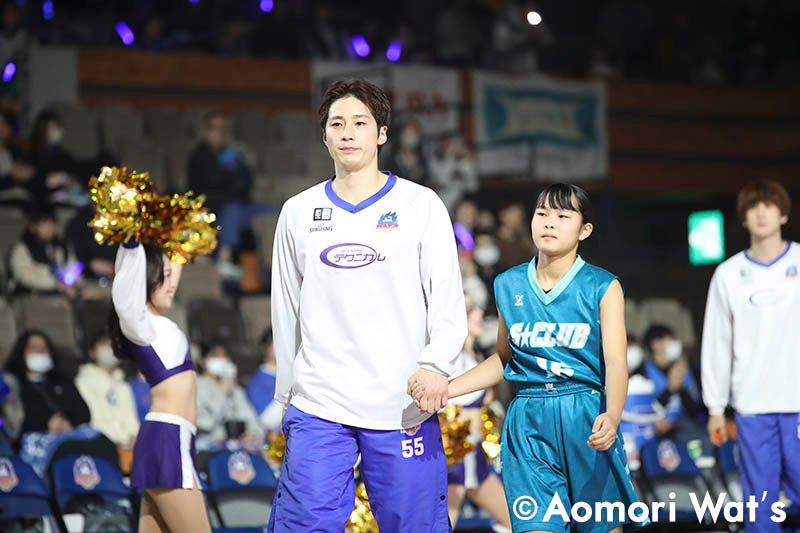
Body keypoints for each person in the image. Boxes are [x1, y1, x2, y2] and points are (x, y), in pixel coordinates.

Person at [269, 79, 466, 532]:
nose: (348, 133)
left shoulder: (421, 205)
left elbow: (447, 301)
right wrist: (288, 393)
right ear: (324, 136)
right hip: (319, 404)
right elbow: (285, 309)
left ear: (381, 133)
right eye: (337, 124)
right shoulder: (297, 212)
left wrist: (436, 365)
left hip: (402, 405)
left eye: (359, 123)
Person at [432, 183, 644, 532]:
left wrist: (613, 414)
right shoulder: (508, 284)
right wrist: (447, 388)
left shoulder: (603, 286)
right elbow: (505, 359)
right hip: (529, 420)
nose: (549, 222)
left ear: (584, 230)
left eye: (563, 216)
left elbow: (616, 362)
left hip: (586, 415)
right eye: (542, 213)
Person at [701, 179, 800, 533]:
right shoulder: (727, 275)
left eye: (769, 206)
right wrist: (715, 407)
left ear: (783, 214)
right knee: (760, 501)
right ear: (743, 218)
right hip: (752, 405)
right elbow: (717, 342)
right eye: (753, 207)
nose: (761, 213)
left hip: (798, 401)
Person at [110, 241, 211, 532]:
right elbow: (125, 288)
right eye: (163, 276)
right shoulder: (139, 323)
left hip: (172, 439)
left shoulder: (155, 322)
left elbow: (173, 265)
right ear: (144, 278)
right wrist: (131, 245)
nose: (172, 284)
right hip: (167, 440)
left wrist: (178, 238)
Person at [445, 296, 511, 532]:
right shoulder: (452, 362)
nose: (479, 314)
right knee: (442, 525)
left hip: (473, 457)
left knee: (516, 520)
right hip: (457, 459)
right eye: (470, 309)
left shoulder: (473, 357)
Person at [187, 110, 273, 280]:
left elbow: (247, 181)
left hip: (240, 204)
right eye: (215, 129)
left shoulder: (233, 155)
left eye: (223, 129)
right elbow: (212, 185)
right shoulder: (199, 157)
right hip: (213, 208)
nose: (220, 134)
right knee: (231, 208)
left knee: (271, 210)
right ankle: (224, 260)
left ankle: (274, 265)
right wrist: (232, 181)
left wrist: (233, 179)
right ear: (206, 132)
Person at [4, 329, 90, 437]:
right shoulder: (12, 384)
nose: (40, 352)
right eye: (34, 348)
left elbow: (83, 413)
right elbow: (11, 422)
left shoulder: (62, 382)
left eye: (45, 348)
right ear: (22, 352)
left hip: (70, 436)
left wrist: (67, 422)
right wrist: (47, 424)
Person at [74, 332, 140, 448]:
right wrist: (123, 438)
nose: (109, 349)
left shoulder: (122, 383)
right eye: (103, 344)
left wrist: (135, 436)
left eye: (112, 345)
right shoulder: (83, 382)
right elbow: (95, 418)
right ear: (92, 352)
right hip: (103, 444)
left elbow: (130, 417)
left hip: (129, 445)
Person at [196, 342, 263, 449]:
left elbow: (253, 422)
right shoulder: (196, 386)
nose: (221, 359)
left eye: (224, 355)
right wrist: (222, 393)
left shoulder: (235, 389)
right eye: (215, 355)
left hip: (238, 449)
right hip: (208, 451)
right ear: (202, 361)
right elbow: (205, 423)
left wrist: (253, 434)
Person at [246, 329, 281, 434]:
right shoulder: (257, 382)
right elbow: (267, 420)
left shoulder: (291, 375)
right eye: (276, 342)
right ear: (264, 348)